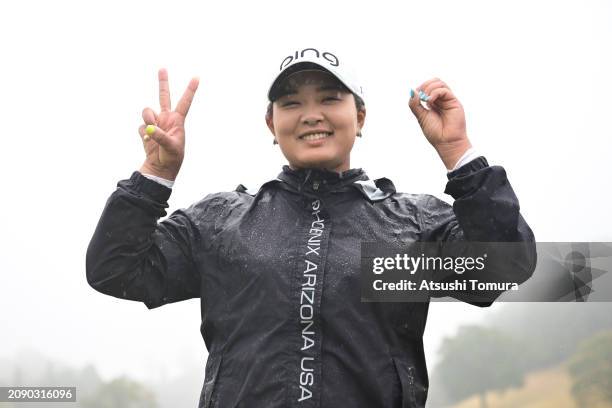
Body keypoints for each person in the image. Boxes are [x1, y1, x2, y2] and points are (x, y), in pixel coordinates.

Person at [86, 48, 537, 408]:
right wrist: (155, 174)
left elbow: (501, 267)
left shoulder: (412, 222)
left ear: (360, 118)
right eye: (291, 103)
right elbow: (116, 270)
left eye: (329, 98)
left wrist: (457, 151)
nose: (311, 113)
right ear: (272, 124)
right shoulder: (221, 220)